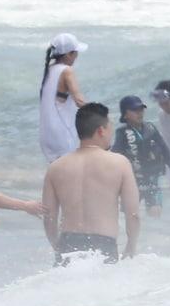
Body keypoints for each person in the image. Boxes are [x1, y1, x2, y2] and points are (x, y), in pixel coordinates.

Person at [43, 103, 141, 265]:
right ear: (101, 131)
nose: (111, 134)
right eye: (110, 128)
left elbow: (49, 218)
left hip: (67, 244)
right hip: (103, 245)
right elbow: (133, 214)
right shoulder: (120, 163)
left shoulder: (56, 167)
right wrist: (131, 245)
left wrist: (57, 246)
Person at [111, 95, 170, 218]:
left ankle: (154, 236)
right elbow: (114, 155)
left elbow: (165, 150)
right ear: (125, 115)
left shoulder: (151, 128)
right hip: (132, 183)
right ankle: (133, 236)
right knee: (131, 216)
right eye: (135, 110)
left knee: (155, 212)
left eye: (141, 109)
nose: (139, 113)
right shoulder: (122, 133)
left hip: (152, 181)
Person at [39, 33, 87, 163]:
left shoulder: (49, 69)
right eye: (75, 52)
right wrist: (99, 115)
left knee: (58, 175)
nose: (77, 56)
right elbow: (79, 101)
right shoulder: (67, 71)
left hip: (47, 135)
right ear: (68, 54)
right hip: (62, 134)